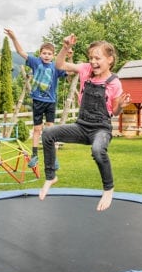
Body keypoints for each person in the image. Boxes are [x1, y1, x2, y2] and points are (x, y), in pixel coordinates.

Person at [39, 34, 131, 211]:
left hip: (101, 129)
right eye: (91, 57)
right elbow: (59, 65)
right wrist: (65, 48)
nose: (93, 61)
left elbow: (115, 112)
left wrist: (121, 105)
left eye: (98, 58)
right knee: (48, 133)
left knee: (97, 150)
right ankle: (51, 176)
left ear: (110, 60)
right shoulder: (85, 69)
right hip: (81, 126)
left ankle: (108, 189)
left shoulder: (114, 82)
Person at [4, 28, 67, 167]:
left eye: (49, 54)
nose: (46, 55)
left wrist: (69, 56)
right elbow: (21, 52)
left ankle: (52, 157)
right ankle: (34, 156)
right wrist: (14, 38)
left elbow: (69, 73)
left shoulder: (56, 66)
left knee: (50, 130)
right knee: (37, 129)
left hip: (50, 102)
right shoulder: (34, 62)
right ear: (40, 54)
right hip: (38, 101)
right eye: (44, 53)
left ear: (53, 55)